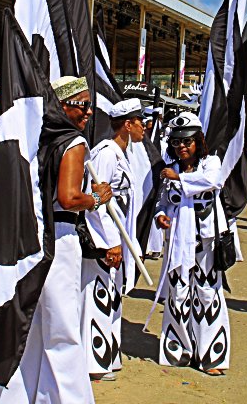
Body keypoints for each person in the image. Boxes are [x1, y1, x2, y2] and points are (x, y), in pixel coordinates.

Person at [0, 75, 113, 404]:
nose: (88, 113)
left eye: (90, 106)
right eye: (82, 106)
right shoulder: (72, 142)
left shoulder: (35, 138)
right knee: (61, 326)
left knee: (28, 324)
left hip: (28, 238)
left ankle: (16, 397)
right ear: (63, 106)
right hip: (59, 237)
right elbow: (70, 197)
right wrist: (98, 197)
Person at [153, 112, 230, 376]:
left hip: (205, 239)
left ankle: (210, 355)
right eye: (176, 143)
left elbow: (213, 182)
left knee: (208, 293)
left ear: (198, 141)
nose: (182, 147)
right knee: (178, 292)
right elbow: (162, 201)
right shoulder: (170, 169)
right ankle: (179, 350)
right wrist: (160, 215)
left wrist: (179, 180)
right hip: (177, 240)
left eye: (187, 142)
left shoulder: (211, 163)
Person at [82, 98, 145, 381]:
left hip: (118, 234)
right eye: (140, 122)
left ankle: (107, 355)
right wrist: (109, 242)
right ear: (128, 125)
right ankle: (94, 362)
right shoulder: (106, 153)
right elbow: (95, 201)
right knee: (99, 295)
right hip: (103, 238)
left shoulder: (123, 152)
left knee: (112, 296)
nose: (145, 127)